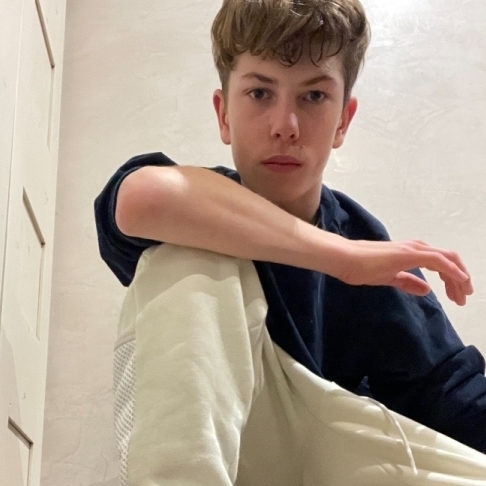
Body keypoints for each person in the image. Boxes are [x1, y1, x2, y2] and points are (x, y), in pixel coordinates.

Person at [95, 0, 486, 484]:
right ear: (223, 114)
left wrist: (351, 252)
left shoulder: (366, 241)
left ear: (343, 120)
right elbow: (141, 197)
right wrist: (340, 258)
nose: (285, 125)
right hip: (227, 460)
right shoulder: (348, 251)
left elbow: (454, 397)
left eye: (314, 96)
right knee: (189, 250)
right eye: (260, 93)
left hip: (327, 466)